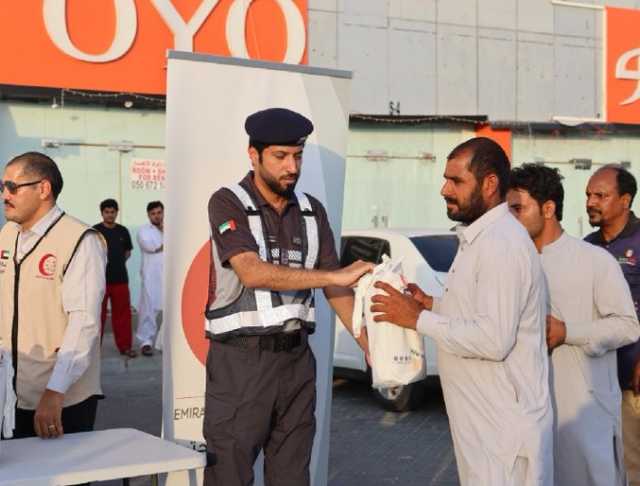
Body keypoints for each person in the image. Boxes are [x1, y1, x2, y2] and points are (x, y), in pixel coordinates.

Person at [204, 107, 373, 486]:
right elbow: (251, 271)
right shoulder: (227, 202)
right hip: (240, 363)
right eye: (280, 156)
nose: (291, 167)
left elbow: (336, 288)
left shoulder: (313, 211)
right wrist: (334, 273)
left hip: (296, 362)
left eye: (297, 156)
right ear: (254, 154)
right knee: (229, 474)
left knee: (292, 476)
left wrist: (367, 342)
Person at [370, 138, 553, 486]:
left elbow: (494, 340)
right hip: (484, 431)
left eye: (456, 181)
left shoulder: (501, 244)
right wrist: (431, 305)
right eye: (445, 179)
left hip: (503, 434)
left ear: (489, 184)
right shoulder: (481, 239)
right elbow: (480, 316)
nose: (444, 189)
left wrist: (417, 319)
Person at [507, 163, 639, 485]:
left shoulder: (593, 260)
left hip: (586, 413)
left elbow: (627, 326)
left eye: (518, 209)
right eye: (588, 195)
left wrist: (568, 332)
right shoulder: (511, 263)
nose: (591, 201)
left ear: (548, 208)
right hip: (525, 415)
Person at [0, 151, 106, 439]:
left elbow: (83, 323)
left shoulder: (80, 241)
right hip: (11, 394)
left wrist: (55, 392)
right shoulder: (7, 235)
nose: (4, 195)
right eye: (2, 187)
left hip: (59, 401)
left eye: (12, 187)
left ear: (43, 189)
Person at [585, 164, 640, 485]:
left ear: (625, 200)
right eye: (589, 195)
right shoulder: (587, 247)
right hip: (595, 380)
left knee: (633, 468)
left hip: (632, 380)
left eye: (601, 195)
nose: (591, 201)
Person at [93, 199, 136, 358]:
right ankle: (94, 349)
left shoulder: (123, 231)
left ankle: (125, 346)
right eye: (107, 212)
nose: (110, 215)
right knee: (97, 316)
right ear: (102, 213)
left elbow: (127, 253)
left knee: (123, 315)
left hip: (120, 280)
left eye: (113, 212)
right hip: (100, 281)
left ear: (117, 212)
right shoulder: (95, 231)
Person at [135, 201, 164, 356]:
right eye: (153, 213)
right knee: (149, 310)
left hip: (169, 276)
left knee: (171, 310)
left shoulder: (171, 229)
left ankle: (164, 342)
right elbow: (151, 246)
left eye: (159, 212)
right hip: (151, 277)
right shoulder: (143, 231)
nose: (157, 216)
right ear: (148, 215)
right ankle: (146, 342)